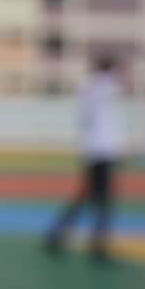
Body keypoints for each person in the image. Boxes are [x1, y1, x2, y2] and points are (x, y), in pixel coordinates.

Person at [44, 55, 124, 261]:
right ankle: (97, 244)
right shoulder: (105, 86)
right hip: (103, 152)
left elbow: (86, 117)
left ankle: (58, 234)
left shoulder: (88, 86)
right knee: (102, 200)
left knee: (87, 196)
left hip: (93, 150)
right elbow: (114, 87)